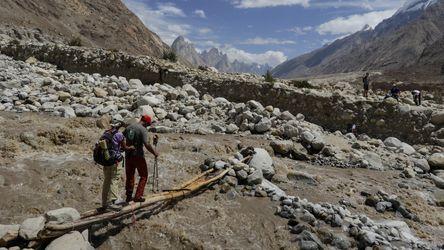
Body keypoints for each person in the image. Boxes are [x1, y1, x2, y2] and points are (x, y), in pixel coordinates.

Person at [123, 115, 159, 203]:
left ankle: (128, 196)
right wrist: (154, 152)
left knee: (130, 175)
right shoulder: (143, 129)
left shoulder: (129, 127)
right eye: (148, 124)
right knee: (143, 175)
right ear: (146, 123)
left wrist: (125, 147)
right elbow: (146, 144)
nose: (148, 126)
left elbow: (121, 137)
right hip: (138, 155)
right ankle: (138, 196)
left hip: (128, 155)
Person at [101, 117, 134, 209]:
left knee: (106, 181)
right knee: (114, 179)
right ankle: (114, 200)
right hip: (115, 161)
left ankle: (104, 202)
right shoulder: (119, 135)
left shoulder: (105, 133)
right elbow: (125, 148)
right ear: (119, 125)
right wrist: (131, 147)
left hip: (106, 160)